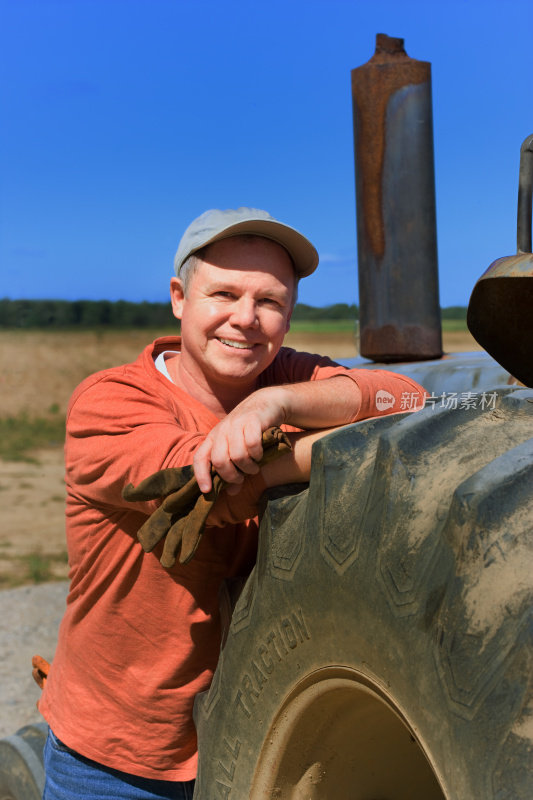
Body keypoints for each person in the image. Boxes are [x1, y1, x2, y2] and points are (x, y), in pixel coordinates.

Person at [38, 207, 426, 799]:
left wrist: (271, 407)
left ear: (289, 313)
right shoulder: (109, 403)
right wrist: (331, 439)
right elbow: (210, 489)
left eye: (269, 301)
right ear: (179, 298)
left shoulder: (280, 377)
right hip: (121, 755)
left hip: (253, 739)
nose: (245, 320)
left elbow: (409, 399)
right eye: (224, 293)